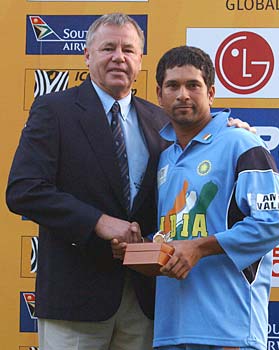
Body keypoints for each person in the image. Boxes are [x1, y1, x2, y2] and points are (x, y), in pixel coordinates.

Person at [7, 12, 254, 350]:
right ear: (87, 54)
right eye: (108, 48)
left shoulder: (160, 120)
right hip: (77, 299)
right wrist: (98, 222)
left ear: (140, 60)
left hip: (146, 300)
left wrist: (234, 132)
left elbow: (198, 156)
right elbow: (25, 190)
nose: (118, 57)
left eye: (128, 49)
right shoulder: (54, 110)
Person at [152, 46, 279, 350]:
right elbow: (173, 234)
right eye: (173, 86)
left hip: (230, 330)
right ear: (159, 94)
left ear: (211, 93)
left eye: (193, 85)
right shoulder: (164, 157)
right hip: (170, 330)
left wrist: (200, 247)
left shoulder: (241, 143)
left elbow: (273, 224)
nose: (183, 94)